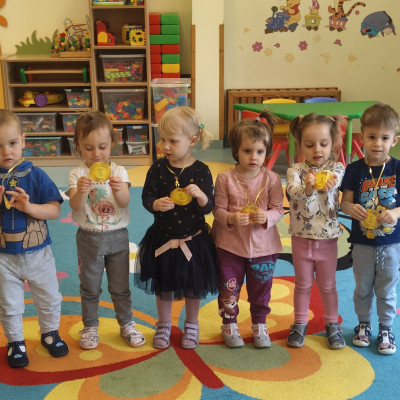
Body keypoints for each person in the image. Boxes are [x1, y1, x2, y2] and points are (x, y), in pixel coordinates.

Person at [135, 106, 218, 350]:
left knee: (194, 286)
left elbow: (209, 207)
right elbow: (146, 197)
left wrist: (201, 196)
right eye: (163, 140)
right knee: (164, 285)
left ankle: (192, 324)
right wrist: (155, 204)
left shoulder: (201, 170)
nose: (165, 146)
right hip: (163, 238)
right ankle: (163, 324)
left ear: (192, 140)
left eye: (172, 141)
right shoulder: (158, 168)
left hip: (194, 240)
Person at [67, 111, 145, 350]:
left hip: (118, 237)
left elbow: (124, 202)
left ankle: (126, 323)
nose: (96, 154)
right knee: (90, 286)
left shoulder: (119, 172)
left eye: (102, 147)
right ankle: (90, 326)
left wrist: (120, 189)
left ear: (112, 143)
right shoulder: (77, 174)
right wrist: (80, 191)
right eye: (88, 148)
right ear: (78, 147)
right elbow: (74, 205)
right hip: (89, 238)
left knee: (120, 286)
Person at [0, 109, 68, 368]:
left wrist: (29, 208)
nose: (6, 152)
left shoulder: (36, 175)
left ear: (23, 140)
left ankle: (50, 333)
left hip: (37, 253)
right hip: (4, 258)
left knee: (49, 297)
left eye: (12, 143)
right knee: (9, 304)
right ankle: (15, 341)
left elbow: (54, 210)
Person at [212, 110, 284, 348]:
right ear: (236, 151)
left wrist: (267, 216)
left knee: (261, 288)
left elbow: (278, 209)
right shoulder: (225, 178)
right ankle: (229, 323)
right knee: (229, 288)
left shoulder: (272, 179)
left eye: (260, 151)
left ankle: (259, 323)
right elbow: (217, 210)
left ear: (267, 152)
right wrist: (231, 217)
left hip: (264, 247)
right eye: (247, 151)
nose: (254, 157)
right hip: (230, 246)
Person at [340, 103, 400, 355]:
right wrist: (350, 208)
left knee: (387, 289)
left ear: (394, 140)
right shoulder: (354, 169)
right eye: (372, 137)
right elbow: (344, 202)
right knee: (362, 287)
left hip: (391, 244)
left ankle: (386, 328)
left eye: (384, 138)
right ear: (361, 137)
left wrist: (395, 213)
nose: (377, 143)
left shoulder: (397, 168)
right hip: (362, 243)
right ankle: (363, 324)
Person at [286, 113, 346, 350]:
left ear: (333, 144)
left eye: (323, 143)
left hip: (328, 239)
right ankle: (300, 322)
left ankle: (332, 323)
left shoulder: (336, 167)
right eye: (309, 145)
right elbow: (292, 191)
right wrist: (308, 188)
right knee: (302, 284)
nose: (317, 150)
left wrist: (328, 182)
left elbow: (336, 180)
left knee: (328, 285)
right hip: (301, 238)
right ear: (300, 145)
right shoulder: (295, 169)